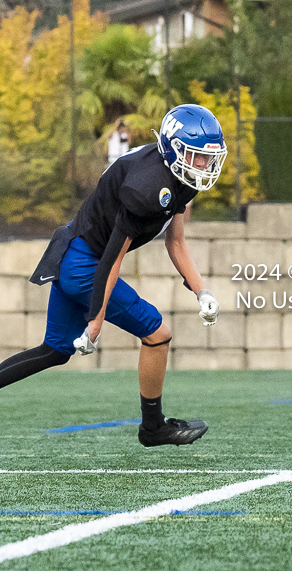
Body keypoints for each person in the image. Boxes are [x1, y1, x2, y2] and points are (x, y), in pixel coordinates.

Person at [0, 104, 228, 448]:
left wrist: (201, 291)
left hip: (74, 251)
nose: (203, 165)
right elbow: (110, 259)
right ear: (173, 148)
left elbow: (176, 242)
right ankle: (153, 427)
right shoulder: (147, 187)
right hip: (84, 261)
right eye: (196, 156)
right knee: (158, 333)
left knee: (56, 349)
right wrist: (95, 320)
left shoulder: (180, 178)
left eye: (207, 157)